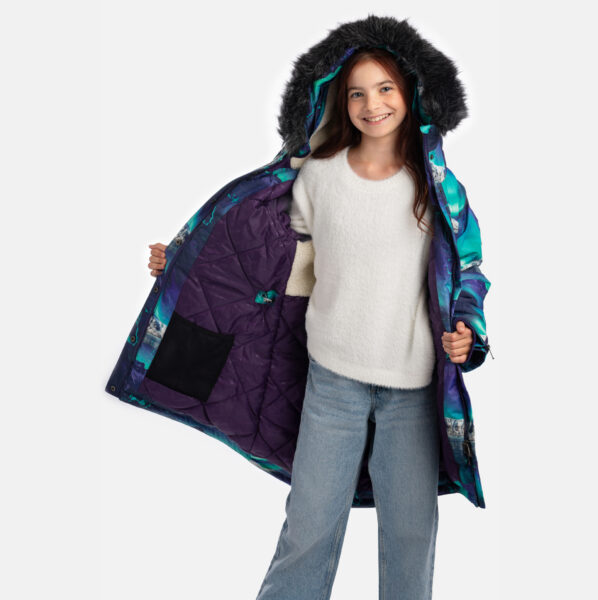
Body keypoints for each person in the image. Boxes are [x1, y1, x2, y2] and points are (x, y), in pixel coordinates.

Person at [145, 44, 481, 600]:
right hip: (331, 385)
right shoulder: (319, 177)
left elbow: (467, 270)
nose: (372, 104)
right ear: (338, 101)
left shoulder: (437, 187)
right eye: (357, 93)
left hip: (413, 391)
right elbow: (265, 248)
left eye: (385, 89)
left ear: (412, 94)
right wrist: (183, 260)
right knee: (308, 529)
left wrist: (469, 331)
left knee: (411, 535)